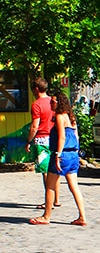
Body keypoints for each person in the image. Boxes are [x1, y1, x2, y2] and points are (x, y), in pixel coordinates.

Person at [29, 92, 87, 226]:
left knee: (50, 185)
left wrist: (58, 154)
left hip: (62, 154)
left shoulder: (60, 117)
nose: (51, 103)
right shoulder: (71, 117)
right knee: (74, 187)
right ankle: (82, 216)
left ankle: (46, 216)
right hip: (72, 154)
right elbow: (76, 137)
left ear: (59, 103)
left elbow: (62, 137)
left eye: (53, 101)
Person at [25, 78, 59, 209]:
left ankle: (48, 202)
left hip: (42, 139)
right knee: (54, 169)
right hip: (54, 137)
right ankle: (56, 199)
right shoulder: (53, 101)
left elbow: (35, 126)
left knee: (45, 172)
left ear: (36, 89)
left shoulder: (36, 105)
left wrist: (28, 141)